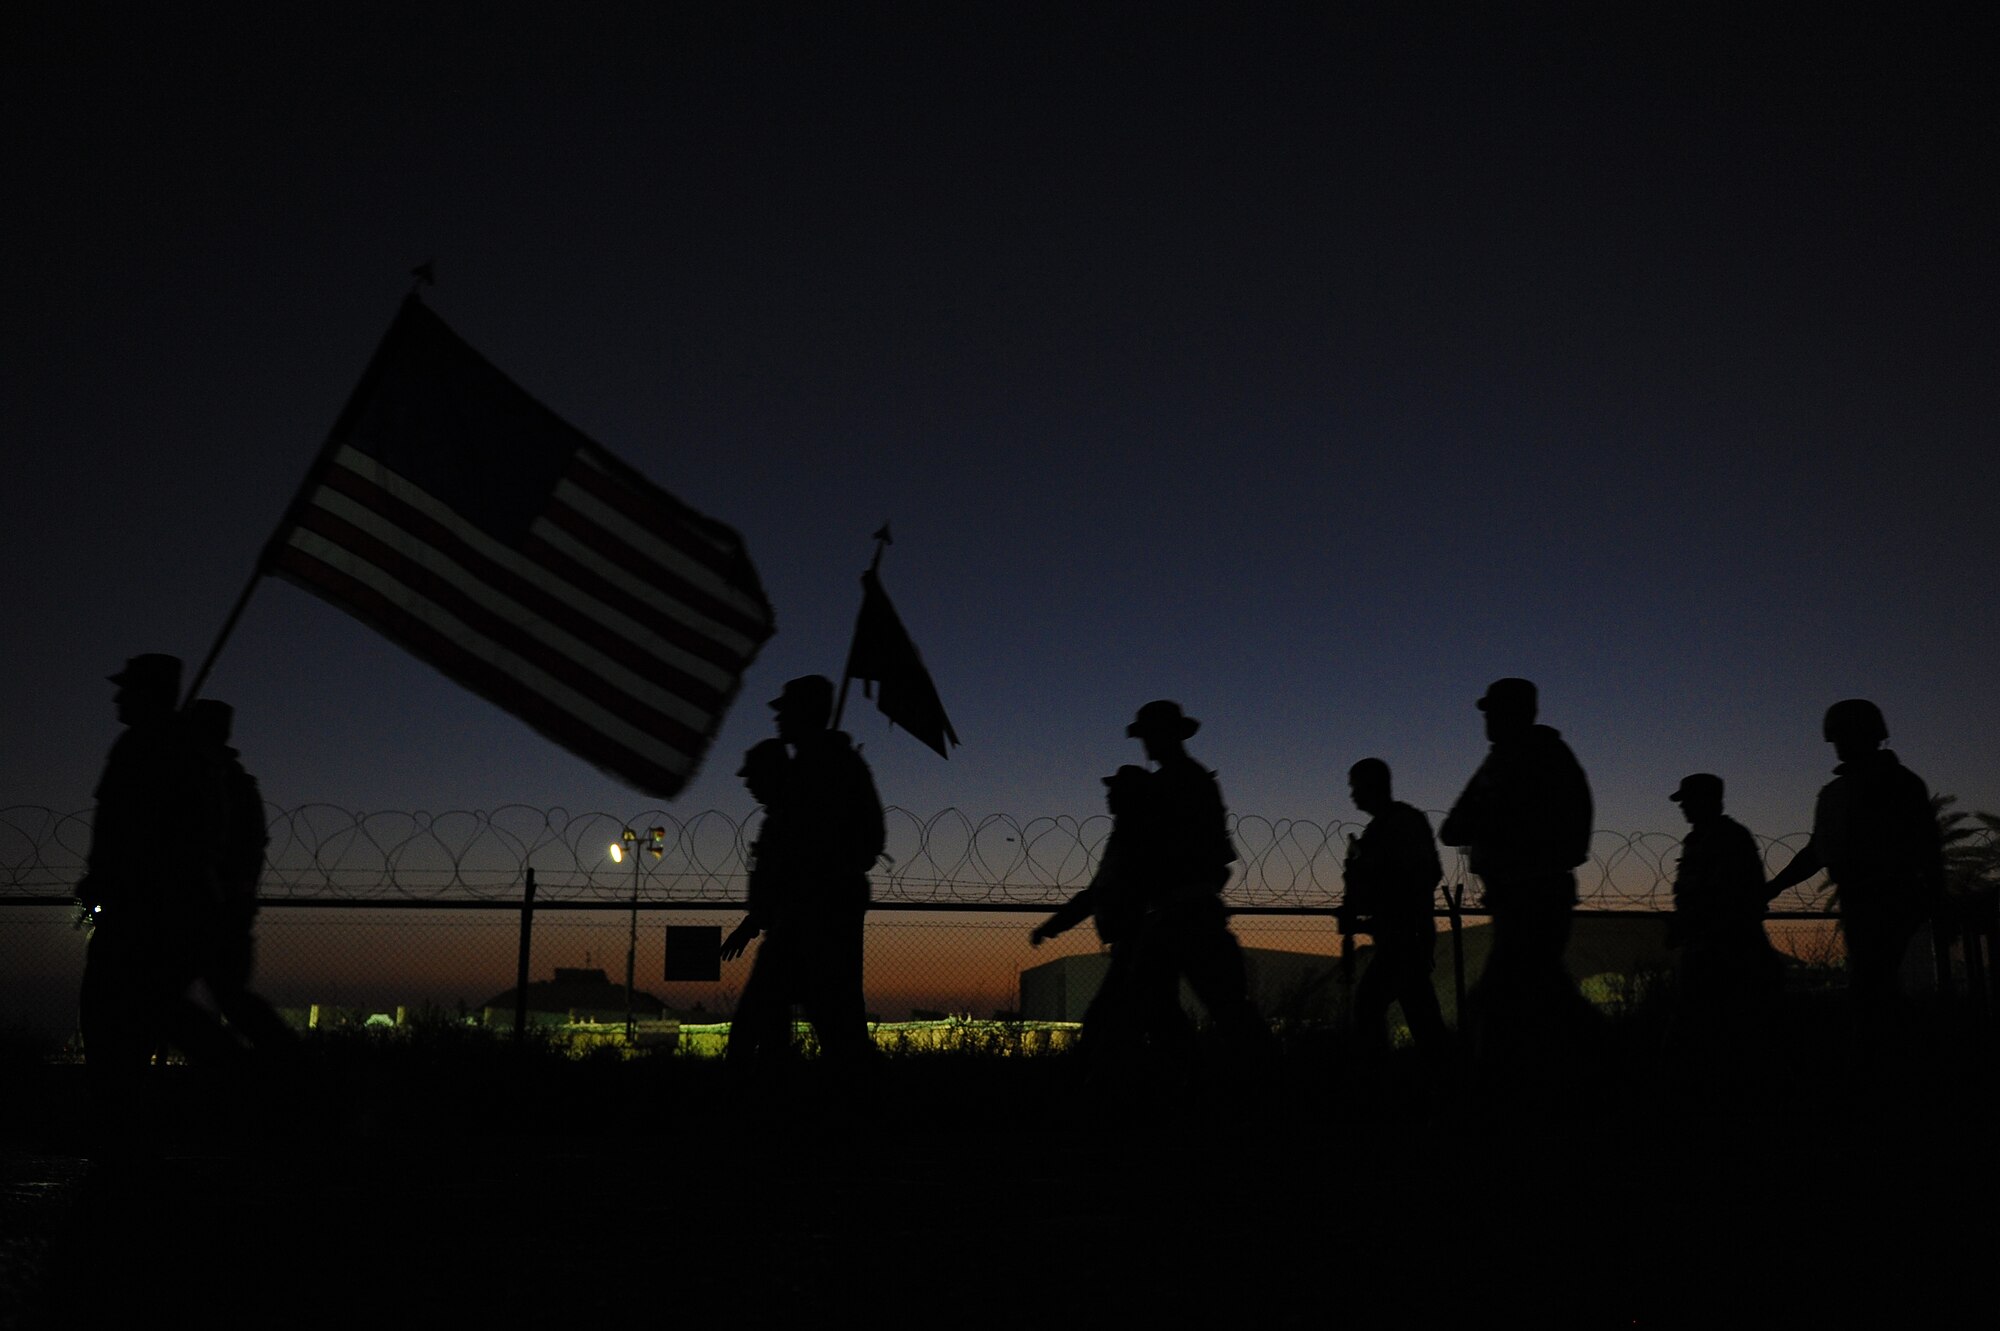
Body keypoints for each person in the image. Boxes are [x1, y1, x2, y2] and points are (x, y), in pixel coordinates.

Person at [76, 655, 230, 1110]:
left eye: (129, 688)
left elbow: (136, 833)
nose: (118, 697)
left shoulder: (151, 749)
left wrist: (111, 880)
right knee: (148, 1013)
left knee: (122, 1013)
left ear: (150, 694)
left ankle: (255, 1088)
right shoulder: (167, 748)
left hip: (147, 913)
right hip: (155, 909)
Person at [1438, 678, 1595, 1057]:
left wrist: (1512, 840)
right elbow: (1454, 826)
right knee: (1541, 991)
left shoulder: (1545, 754)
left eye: (1495, 710)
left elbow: (1574, 821)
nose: (1488, 719)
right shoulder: (1499, 762)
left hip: (1537, 896)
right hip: (1515, 896)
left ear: (1518, 712)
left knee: (1501, 995)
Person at [1763, 700, 1942, 1012]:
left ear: (1870, 735)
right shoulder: (1837, 793)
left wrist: (1936, 898)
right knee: (1874, 986)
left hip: (1894, 900)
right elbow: (1817, 852)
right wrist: (1775, 886)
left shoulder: (1900, 785)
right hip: (1861, 901)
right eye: (1838, 738)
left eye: (1847, 736)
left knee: (1875, 986)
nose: (1840, 745)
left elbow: (1927, 847)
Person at [1124, 700, 1266, 1049]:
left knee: (1218, 1005)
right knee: (1166, 999)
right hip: (1180, 908)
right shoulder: (1188, 779)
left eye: (1151, 734)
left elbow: (1195, 849)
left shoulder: (1181, 781)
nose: (1147, 743)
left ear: (1170, 735)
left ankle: (1245, 1073)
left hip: (1185, 910)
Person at [1029, 765, 1187, 1057]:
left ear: (1132, 795)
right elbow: (1095, 895)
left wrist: (1052, 927)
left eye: (1115, 790)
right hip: (1140, 943)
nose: (1109, 796)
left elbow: (1107, 893)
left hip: (1142, 944)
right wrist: (1051, 927)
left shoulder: (1141, 837)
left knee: (1107, 1021)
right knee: (1160, 1019)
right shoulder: (1127, 837)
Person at [767, 675, 885, 1062]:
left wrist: (829, 866)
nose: (778, 719)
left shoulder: (832, 764)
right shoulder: (808, 764)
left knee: (831, 1003)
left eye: (786, 710)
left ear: (805, 713)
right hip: (809, 900)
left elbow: (871, 836)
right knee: (815, 1002)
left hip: (827, 901)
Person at [186, 699, 296, 1056]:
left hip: (214, 907)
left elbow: (226, 846)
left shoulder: (219, 782)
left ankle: (254, 1070)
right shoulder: (224, 780)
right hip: (219, 905)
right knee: (226, 997)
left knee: (176, 998)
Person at [1342, 758, 1449, 1054]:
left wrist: (1371, 877)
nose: (1352, 794)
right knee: (1419, 1012)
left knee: (1370, 1006)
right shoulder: (1386, 826)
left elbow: (1418, 875)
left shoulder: (1399, 822)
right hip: (1401, 933)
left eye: (1356, 787)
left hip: (1405, 933)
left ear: (1371, 786)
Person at [1665, 773, 1781, 1035]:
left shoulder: (1728, 839)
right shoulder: (1702, 840)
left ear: (1705, 801)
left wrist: (1690, 923)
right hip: (1709, 950)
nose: (1683, 807)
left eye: (1688, 800)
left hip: (1728, 954)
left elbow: (1727, 899)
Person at [722, 739, 803, 1061]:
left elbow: (785, 883)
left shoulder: (792, 820)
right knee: (772, 1029)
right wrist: (751, 924)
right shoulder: (781, 818)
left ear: (772, 774)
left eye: (754, 776)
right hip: (785, 935)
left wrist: (752, 925)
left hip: (792, 937)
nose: (749, 785)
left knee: (748, 1027)